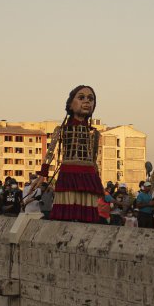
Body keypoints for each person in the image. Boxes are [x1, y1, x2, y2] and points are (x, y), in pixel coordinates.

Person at [37, 85, 104, 223]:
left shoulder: (95, 133)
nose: (87, 101)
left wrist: (98, 182)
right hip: (68, 173)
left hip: (89, 176)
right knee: (66, 214)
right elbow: (50, 153)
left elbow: (94, 158)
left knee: (88, 216)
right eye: (81, 97)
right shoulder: (61, 129)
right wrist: (42, 175)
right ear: (70, 105)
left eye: (90, 99)